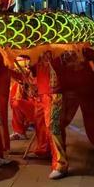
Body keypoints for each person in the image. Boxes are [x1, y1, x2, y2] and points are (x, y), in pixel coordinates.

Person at [33, 52, 69, 180]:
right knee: (44, 124)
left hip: (55, 93)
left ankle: (61, 164)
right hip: (42, 91)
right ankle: (46, 150)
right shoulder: (38, 47)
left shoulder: (60, 49)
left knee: (54, 127)